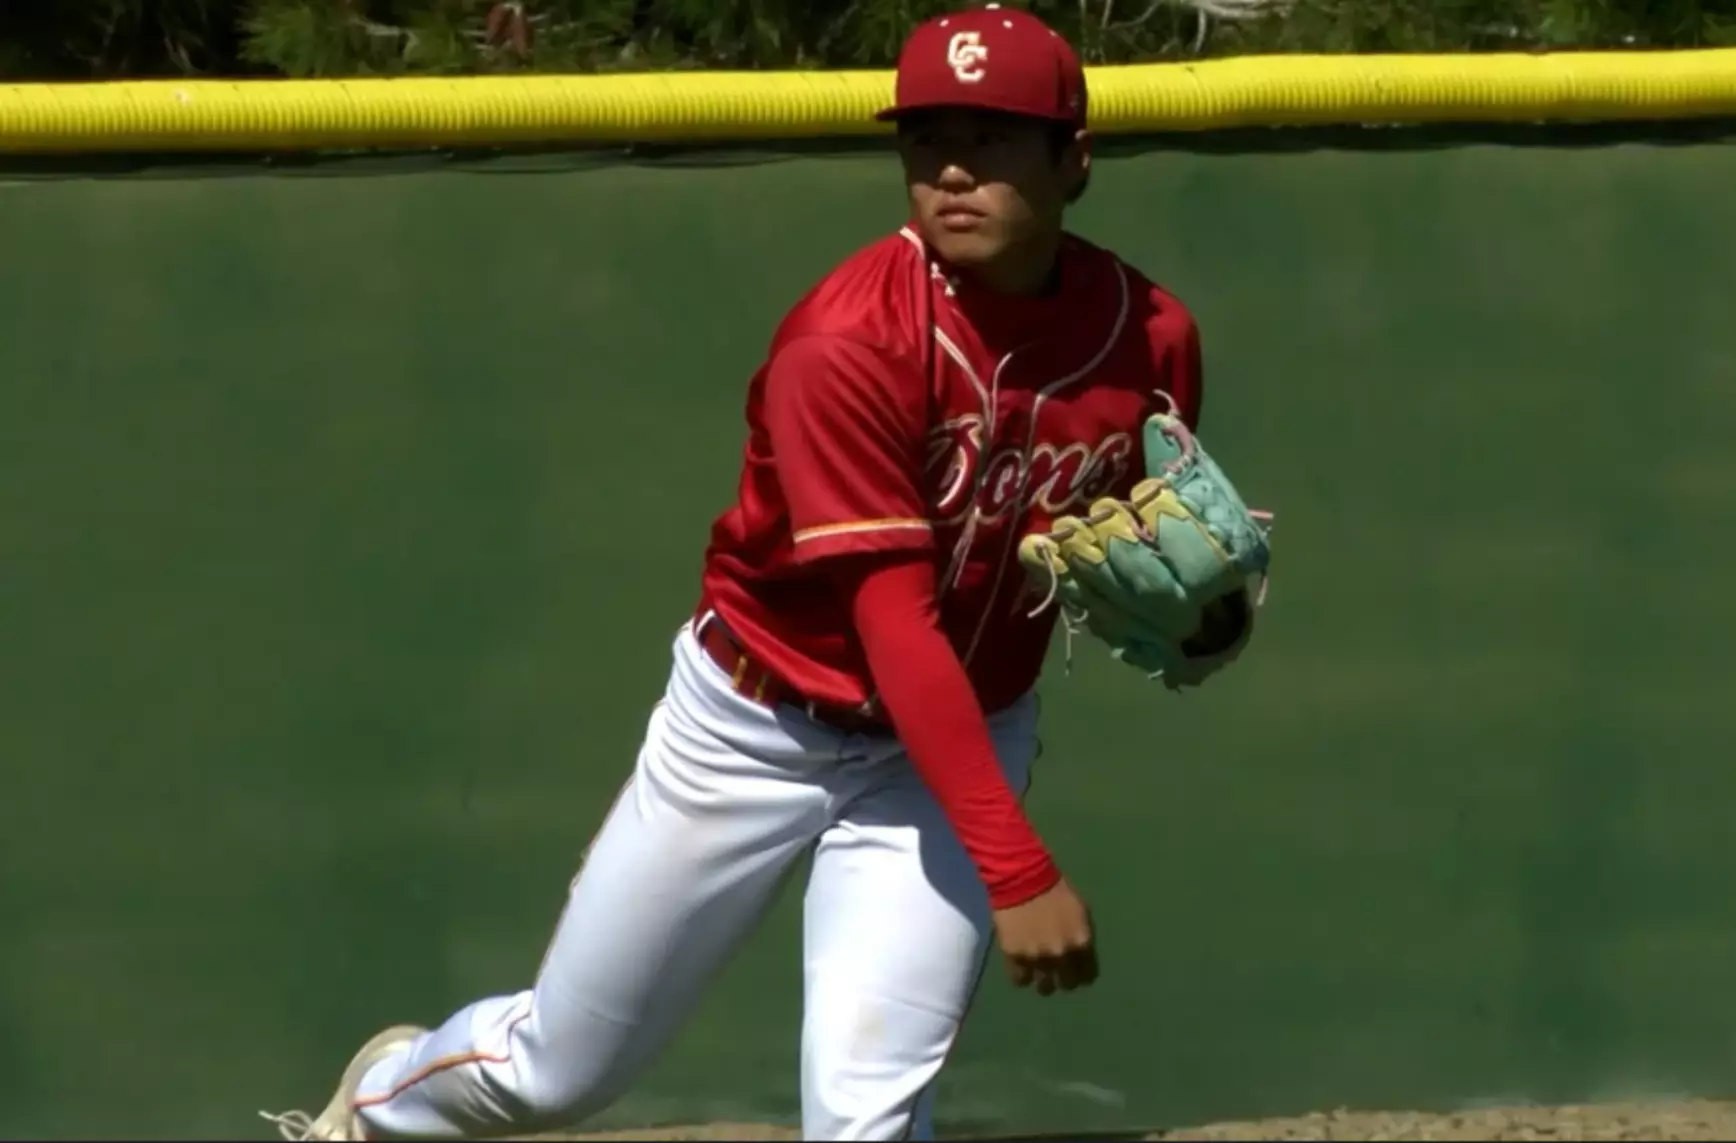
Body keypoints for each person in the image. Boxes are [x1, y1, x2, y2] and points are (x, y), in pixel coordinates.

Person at [260, 4, 1208, 1139]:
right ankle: (378, 1107)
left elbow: (1138, 541)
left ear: (1074, 161)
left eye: (994, 137)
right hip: (754, 726)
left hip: (945, 745)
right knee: (556, 1074)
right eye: (925, 137)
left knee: (864, 1114)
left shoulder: (1148, 335)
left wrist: (1209, 622)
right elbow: (891, 623)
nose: (951, 168)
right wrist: (1011, 867)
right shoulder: (847, 342)